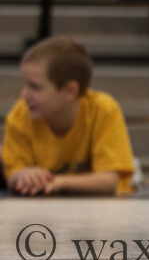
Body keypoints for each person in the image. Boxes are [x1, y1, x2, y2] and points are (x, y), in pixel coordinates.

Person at [2, 37, 135, 196]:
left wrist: (58, 182)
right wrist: (23, 175)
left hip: (98, 207)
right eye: (24, 85)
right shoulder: (19, 115)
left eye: (34, 87)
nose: (24, 94)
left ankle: (134, 168)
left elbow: (110, 181)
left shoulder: (103, 109)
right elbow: (12, 176)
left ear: (70, 91)